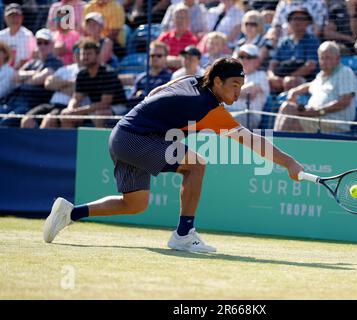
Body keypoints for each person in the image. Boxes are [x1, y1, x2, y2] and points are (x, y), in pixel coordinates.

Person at [43, 57, 305, 253]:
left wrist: (158, 118)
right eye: (234, 84)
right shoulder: (211, 110)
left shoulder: (191, 79)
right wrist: (289, 163)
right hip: (136, 138)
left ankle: (70, 213)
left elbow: (156, 93)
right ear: (217, 82)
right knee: (196, 165)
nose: (239, 91)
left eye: (242, 85)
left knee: (135, 204)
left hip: (123, 134)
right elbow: (250, 140)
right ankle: (183, 234)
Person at [274, 41, 357, 134]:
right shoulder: (321, 76)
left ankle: (270, 145)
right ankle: (272, 144)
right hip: (315, 118)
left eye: (328, 58)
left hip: (333, 122)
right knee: (286, 107)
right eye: (322, 58)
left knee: (290, 114)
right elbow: (310, 85)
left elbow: (344, 102)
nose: (324, 62)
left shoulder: (345, 72)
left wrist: (318, 111)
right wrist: (294, 91)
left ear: (338, 59)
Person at [0, 28, 63, 127]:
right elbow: (15, 77)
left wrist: (24, 78)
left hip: (32, 104)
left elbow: (41, 78)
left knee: (6, 122)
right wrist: (34, 73)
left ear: (52, 44)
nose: (42, 46)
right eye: (39, 42)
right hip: (13, 100)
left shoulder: (55, 62)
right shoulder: (33, 62)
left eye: (46, 43)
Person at [59, 39, 127, 128]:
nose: (85, 57)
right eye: (83, 54)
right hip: (94, 108)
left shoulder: (108, 73)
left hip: (117, 106)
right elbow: (76, 98)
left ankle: (100, 142)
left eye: (89, 54)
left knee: (98, 116)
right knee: (65, 115)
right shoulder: (82, 74)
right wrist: (70, 109)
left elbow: (104, 104)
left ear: (97, 56)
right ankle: (69, 142)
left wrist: (78, 111)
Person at [20, 41, 82, 129]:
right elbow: (48, 83)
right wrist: (69, 84)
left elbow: (78, 90)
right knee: (27, 120)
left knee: (48, 121)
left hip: (66, 107)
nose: (79, 55)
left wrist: (59, 85)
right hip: (51, 104)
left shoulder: (86, 72)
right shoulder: (65, 69)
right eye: (76, 52)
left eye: (81, 52)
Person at [267, 8, 320, 93]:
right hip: (282, 76)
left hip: (305, 79)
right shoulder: (284, 42)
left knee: (290, 82)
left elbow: (310, 66)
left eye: (301, 19)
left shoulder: (312, 41)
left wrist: (289, 77)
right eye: (293, 19)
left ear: (308, 23)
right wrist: (271, 76)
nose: (297, 22)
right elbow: (273, 63)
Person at [227, 44, 269, 129]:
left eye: (248, 57)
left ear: (257, 61)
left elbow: (251, 92)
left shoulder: (261, 75)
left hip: (248, 116)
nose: (244, 60)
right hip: (228, 112)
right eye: (241, 56)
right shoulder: (231, 76)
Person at [121, 40, 172, 107]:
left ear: (166, 58)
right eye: (152, 55)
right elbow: (131, 101)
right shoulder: (141, 78)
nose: (155, 58)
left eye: (159, 56)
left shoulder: (170, 78)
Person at [157, 4, 199, 70]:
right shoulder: (164, 37)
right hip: (163, 74)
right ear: (173, 20)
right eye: (177, 17)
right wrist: (177, 60)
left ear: (188, 20)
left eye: (182, 18)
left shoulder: (193, 40)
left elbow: (191, 62)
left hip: (183, 76)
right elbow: (156, 56)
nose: (179, 20)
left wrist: (166, 59)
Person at [0, 3, 37, 69]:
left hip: (23, 70)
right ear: (5, 18)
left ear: (22, 17)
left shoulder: (28, 35)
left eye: (17, 16)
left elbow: (33, 57)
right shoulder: (1, 36)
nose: (14, 19)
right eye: (11, 16)